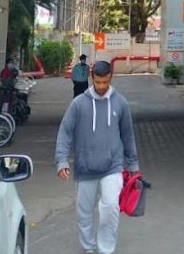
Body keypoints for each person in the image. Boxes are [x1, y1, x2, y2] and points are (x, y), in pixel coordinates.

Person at [55, 60, 139, 254]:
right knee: (84, 213)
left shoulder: (120, 103)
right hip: (85, 168)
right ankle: (88, 247)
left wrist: (133, 164)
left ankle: (105, 249)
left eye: (105, 82)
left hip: (113, 166)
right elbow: (65, 132)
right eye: (98, 82)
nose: (101, 87)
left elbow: (128, 135)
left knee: (110, 208)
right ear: (92, 78)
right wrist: (61, 161)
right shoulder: (78, 104)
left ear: (111, 78)